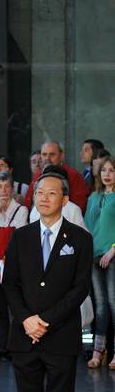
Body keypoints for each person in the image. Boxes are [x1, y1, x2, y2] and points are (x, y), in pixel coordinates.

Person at [3, 173, 93, 392]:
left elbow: (79, 289)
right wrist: (27, 320)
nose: (43, 198)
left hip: (61, 336)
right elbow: (10, 284)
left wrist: (45, 321)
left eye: (51, 193)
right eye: (39, 192)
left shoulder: (80, 239)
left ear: (64, 200)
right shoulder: (21, 237)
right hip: (24, 336)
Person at [0, 171, 28, 357]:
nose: (3, 190)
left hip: (13, 264)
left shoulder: (21, 210)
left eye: (7, 187)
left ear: (12, 189)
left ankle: (15, 346)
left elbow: (20, 233)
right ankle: (2, 346)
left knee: (15, 308)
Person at [84, 155, 115, 369]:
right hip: (94, 256)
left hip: (112, 255)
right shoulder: (94, 197)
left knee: (113, 304)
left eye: (111, 170)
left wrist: (112, 251)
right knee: (101, 306)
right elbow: (87, 227)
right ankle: (98, 351)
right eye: (104, 170)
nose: (107, 174)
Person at [23, 141, 89, 213]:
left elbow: (78, 206)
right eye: (44, 154)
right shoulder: (37, 174)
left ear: (61, 156)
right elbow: (28, 202)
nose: (47, 158)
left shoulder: (74, 176)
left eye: (52, 154)